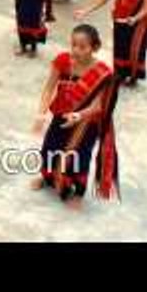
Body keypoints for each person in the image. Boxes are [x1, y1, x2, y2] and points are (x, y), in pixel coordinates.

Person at [31, 24, 120, 205]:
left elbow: (98, 106)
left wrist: (78, 116)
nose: (75, 50)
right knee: (50, 147)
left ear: (94, 48)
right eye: (73, 45)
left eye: (82, 47)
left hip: (86, 123)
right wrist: (41, 115)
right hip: (61, 115)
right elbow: (49, 88)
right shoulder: (62, 61)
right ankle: (48, 178)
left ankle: (78, 193)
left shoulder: (104, 73)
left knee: (79, 156)